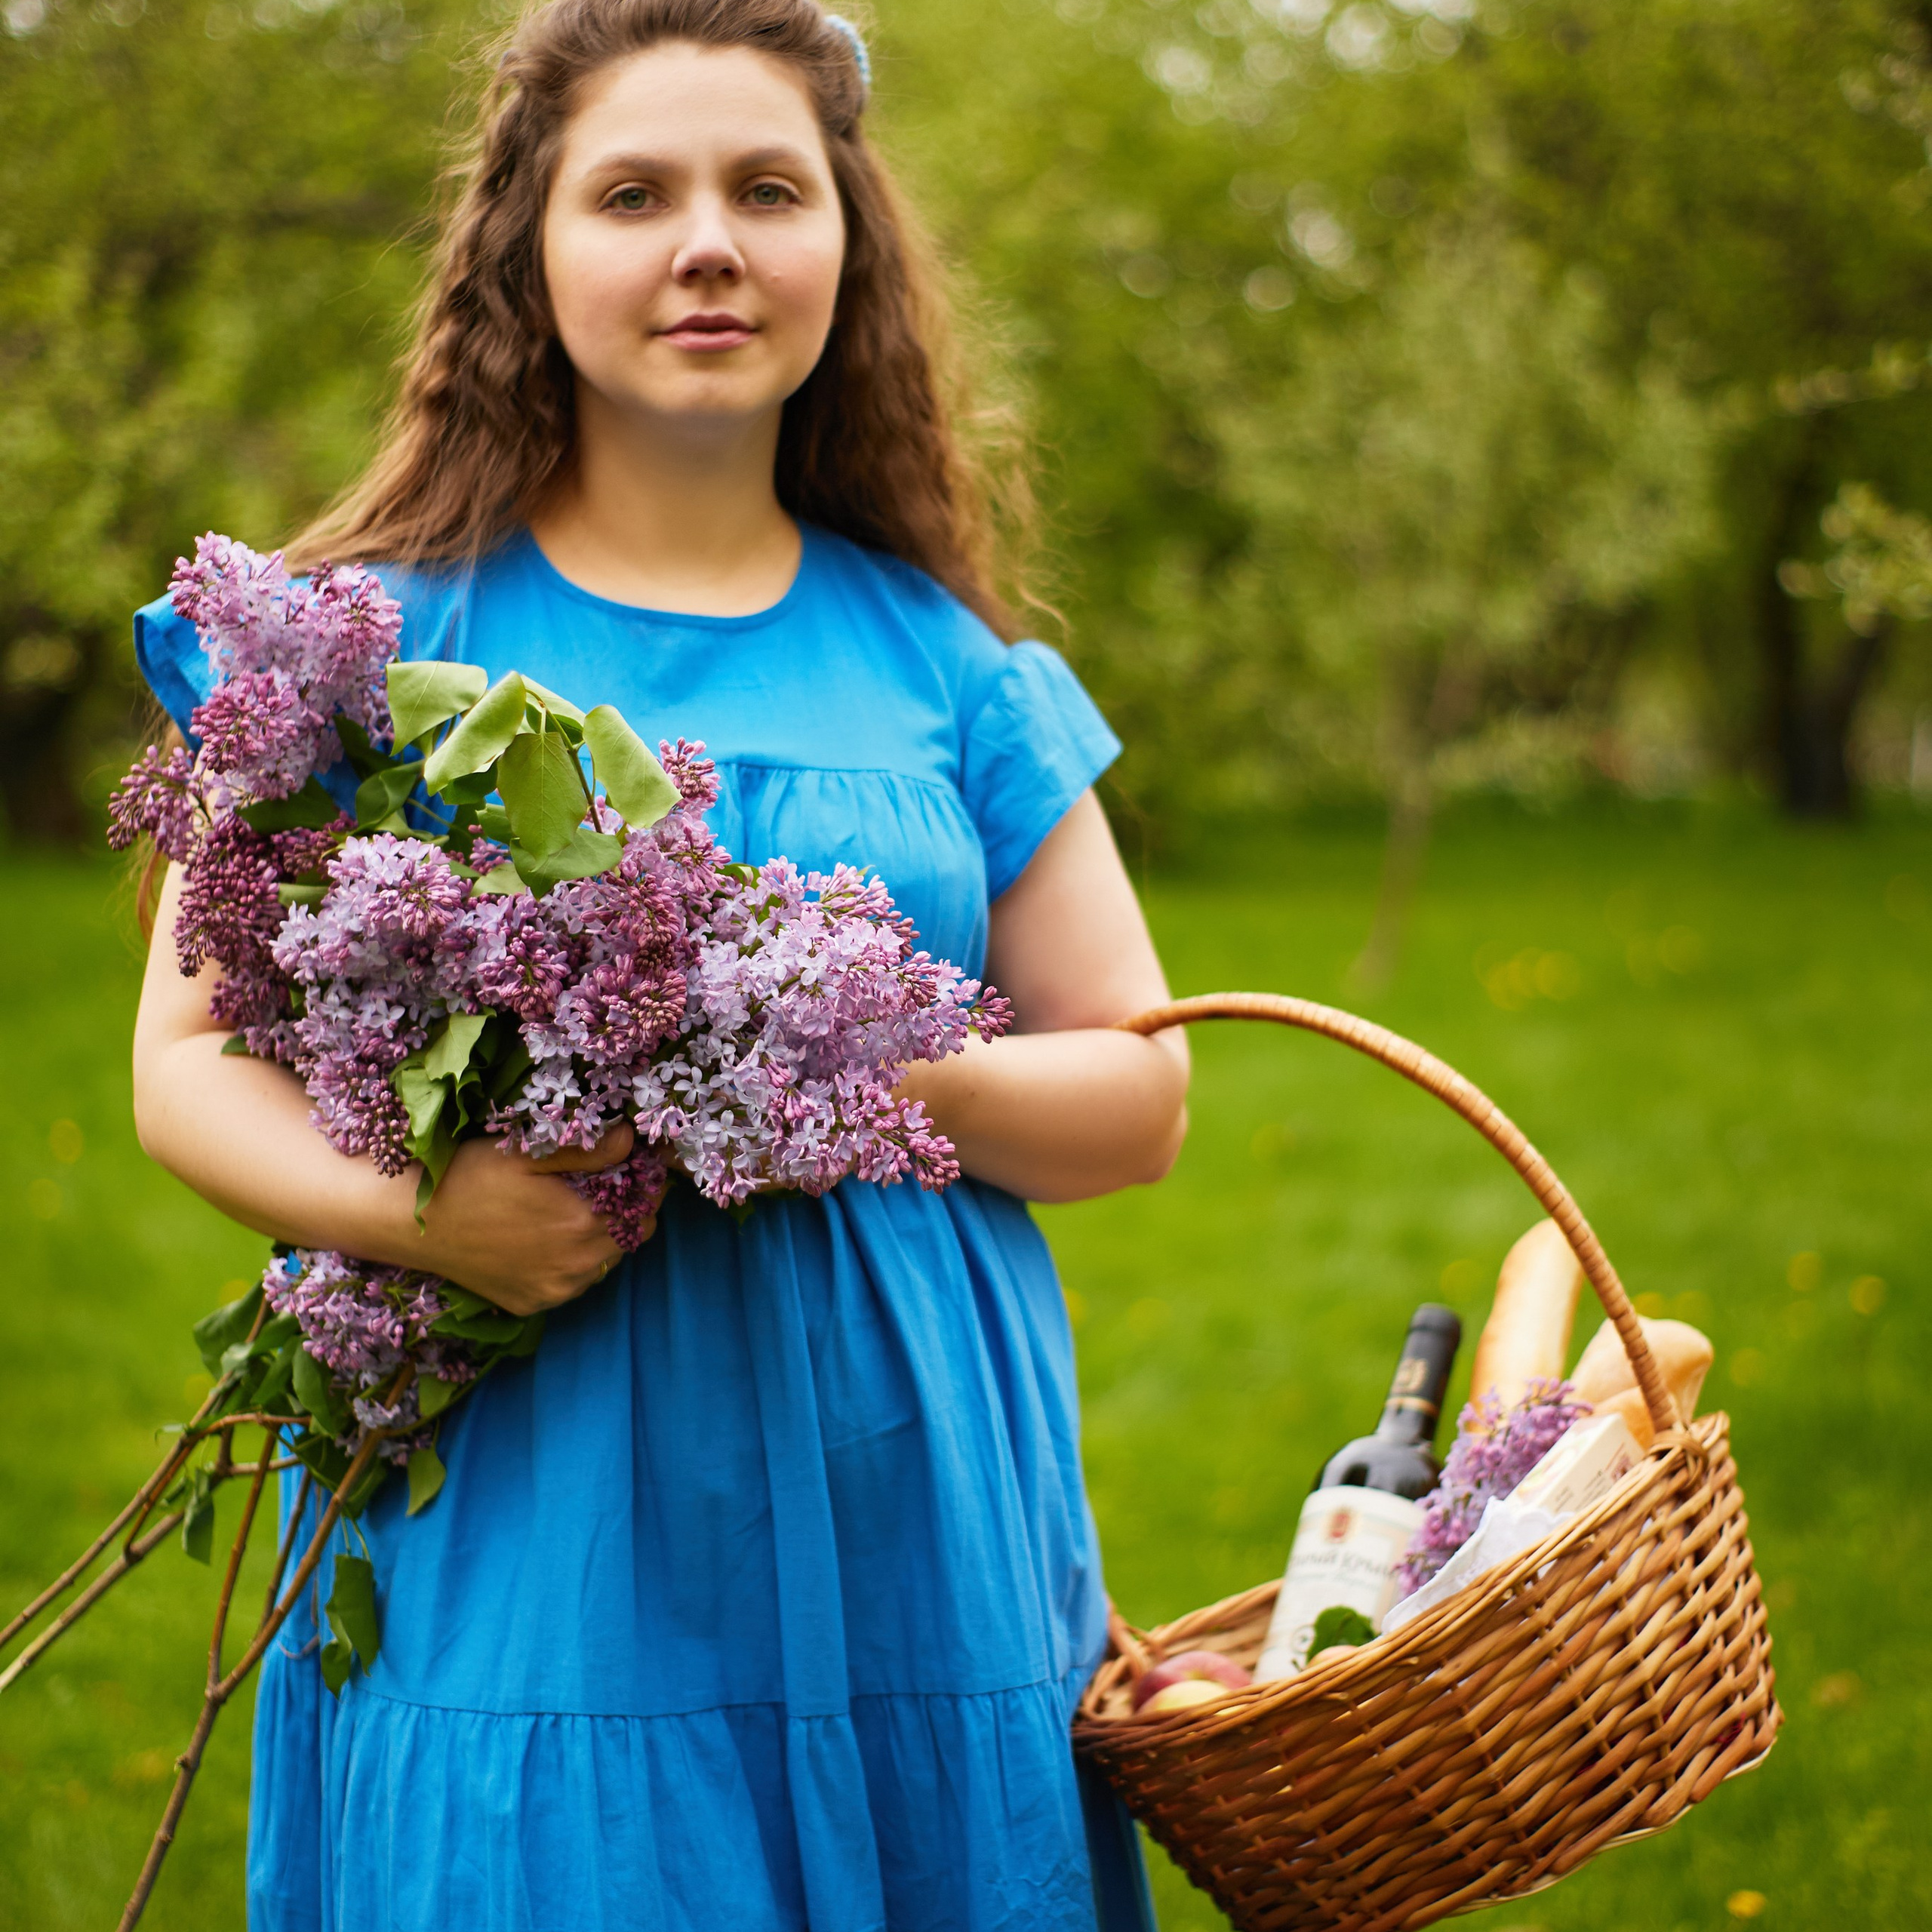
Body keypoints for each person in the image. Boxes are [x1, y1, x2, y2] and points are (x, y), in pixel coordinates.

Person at [128, 2, 1189, 1926]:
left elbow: (1137, 1091)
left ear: (841, 247)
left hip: (913, 1507)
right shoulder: (368, 642)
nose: (708, 240)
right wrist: (431, 1215)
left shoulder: (946, 663)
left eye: (765, 188)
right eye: (635, 192)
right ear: (527, 253)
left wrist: (854, 1062)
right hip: (536, 1506)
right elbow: (183, 1061)